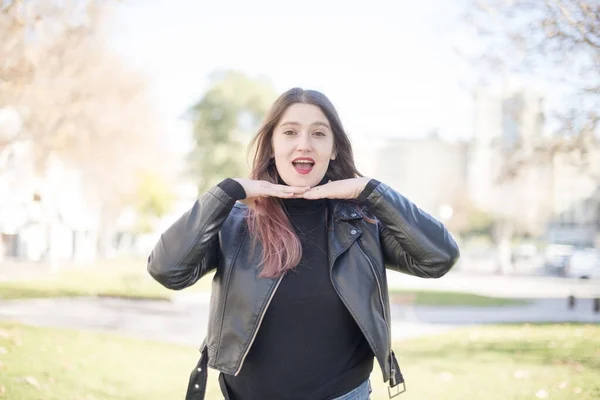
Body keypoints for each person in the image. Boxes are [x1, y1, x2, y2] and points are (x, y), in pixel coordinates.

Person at [147, 88, 460, 400]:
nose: (304, 144)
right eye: (290, 132)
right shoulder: (235, 221)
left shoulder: (361, 223)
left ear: (334, 149)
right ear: (271, 145)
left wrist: (372, 190)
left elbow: (438, 257)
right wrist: (226, 193)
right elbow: (168, 270)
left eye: (319, 134)